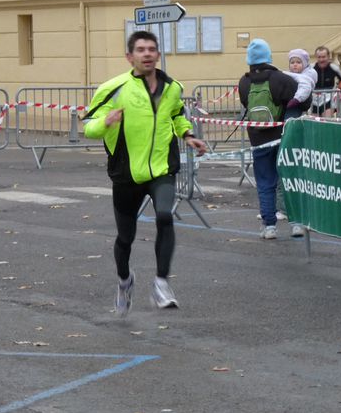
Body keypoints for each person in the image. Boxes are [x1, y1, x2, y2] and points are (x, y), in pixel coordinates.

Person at [82, 30, 208, 316]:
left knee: (165, 216)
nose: (147, 54)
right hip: (127, 172)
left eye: (152, 49)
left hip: (161, 168)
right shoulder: (113, 88)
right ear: (130, 56)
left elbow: (176, 114)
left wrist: (187, 134)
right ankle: (125, 281)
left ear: (158, 54)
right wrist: (106, 121)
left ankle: (162, 283)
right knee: (125, 237)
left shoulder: (173, 87)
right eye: (141, 50)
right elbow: (88, 125)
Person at [238, 39, 298, 240]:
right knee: (289, 180)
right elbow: (302, 98)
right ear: (268, 56)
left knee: (265, 182)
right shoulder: (281, 79)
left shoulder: (244, 82)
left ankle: (269, 226)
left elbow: (245, 102)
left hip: (258, 138)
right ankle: (296, 223)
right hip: (282, 137)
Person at [283, 48, 317, 120]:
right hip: (287, 103)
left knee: (290, 121)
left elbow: (305, 87)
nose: (295, 64)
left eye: (298, 62)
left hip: (298, 105)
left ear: (304, 64)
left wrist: (296, 99)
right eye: (292, 63)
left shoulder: (307, 75)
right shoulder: (289, 74)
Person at [312, 46, 341, 116]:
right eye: (319, 57)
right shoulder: (311, 68)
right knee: (314, 122)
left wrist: (339, 91)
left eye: (323, 57)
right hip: (314, 98)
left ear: (328, 56)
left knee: (327, 120)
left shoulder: (334, 67)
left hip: (329, 97)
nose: (321, 59)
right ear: (316, 57)